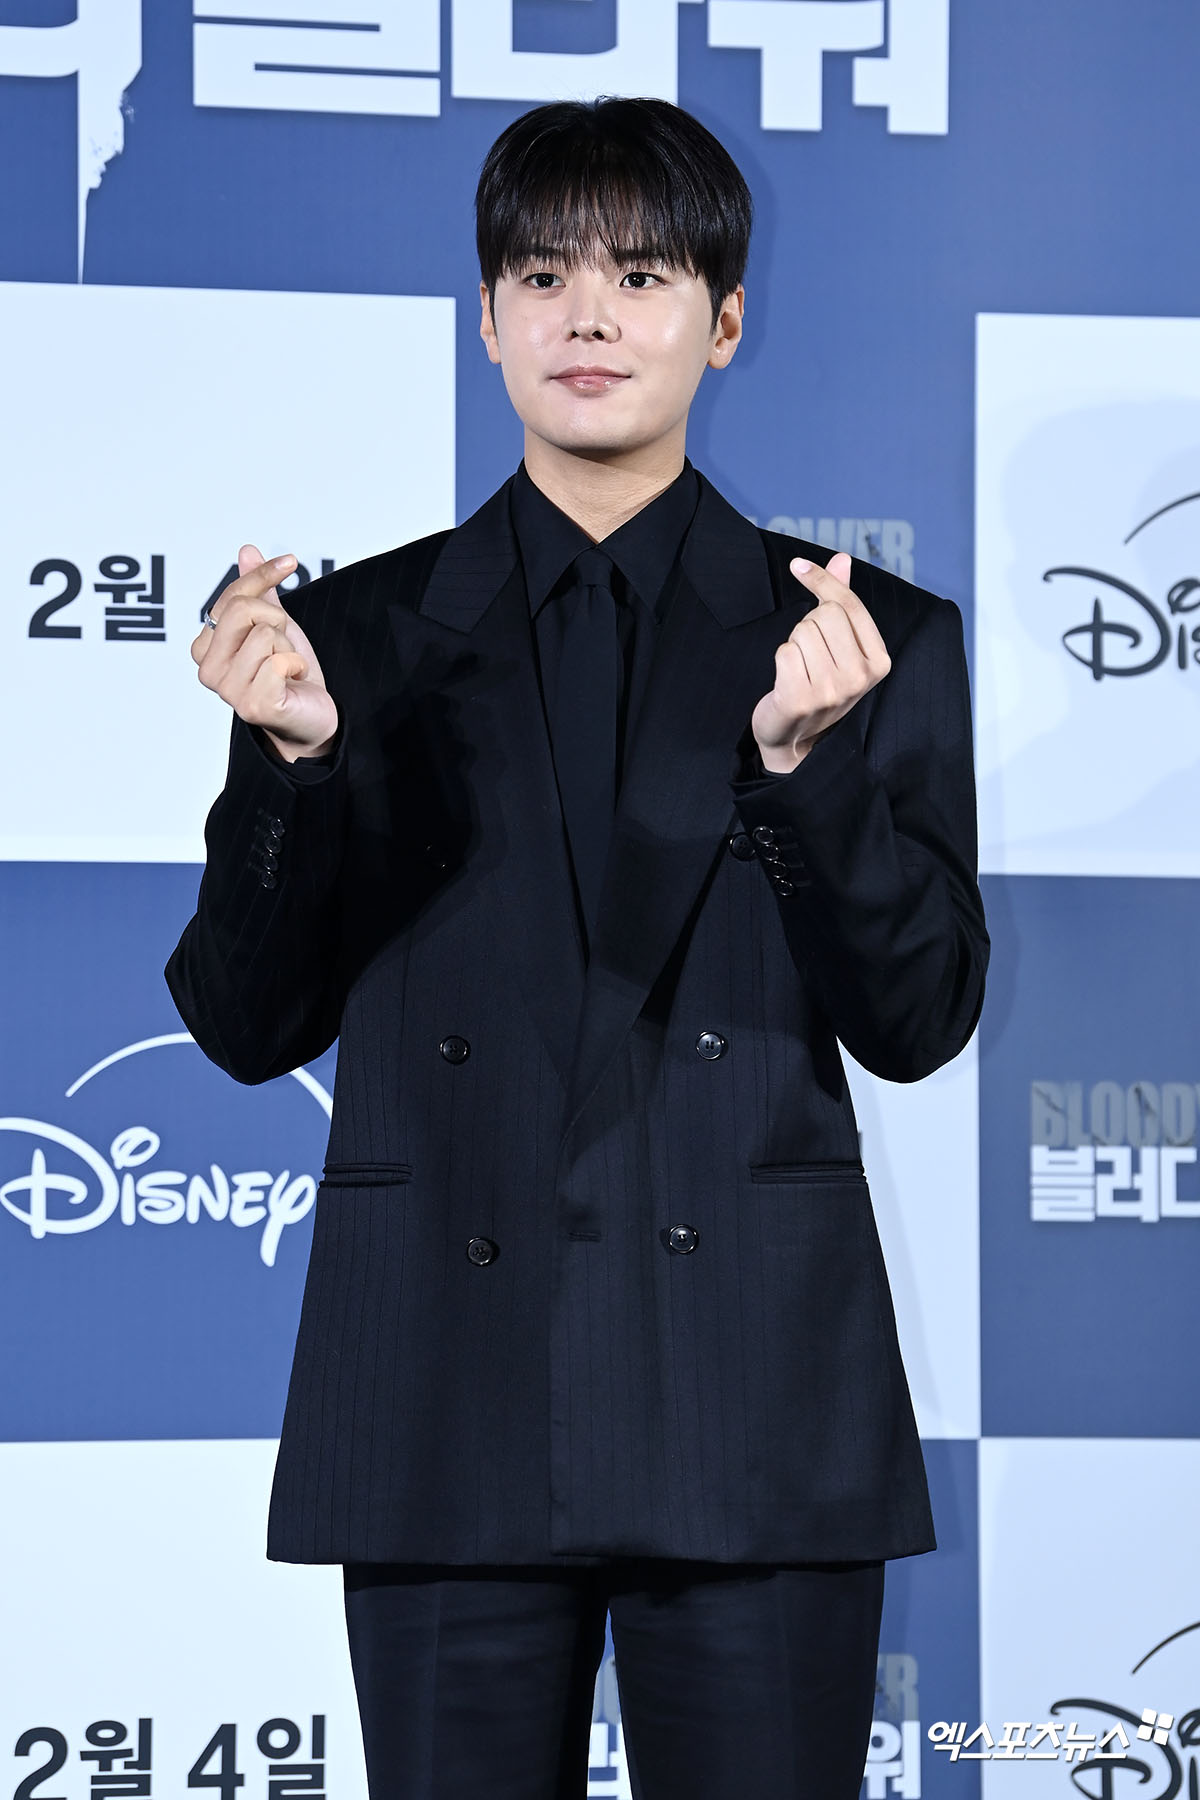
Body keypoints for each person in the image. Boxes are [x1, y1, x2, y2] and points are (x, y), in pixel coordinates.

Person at [166, 95, 988, 1800]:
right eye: (542, 276)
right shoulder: (346, 640)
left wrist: (809, 778)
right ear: (487, 319)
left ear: (725, 321)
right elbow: (246, 1024)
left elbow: (919, 1019)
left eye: (642, 275)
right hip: (442, 1392)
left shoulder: (861, 641)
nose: (588, 317)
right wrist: (298, 770)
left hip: (754, 1392)